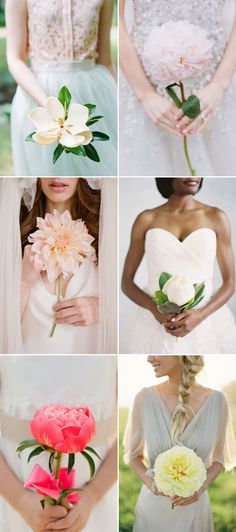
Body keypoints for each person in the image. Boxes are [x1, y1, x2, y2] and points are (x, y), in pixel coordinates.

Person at [0, 355, 117, 532]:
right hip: (12, 485)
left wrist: (92, 495)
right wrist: (20, 499)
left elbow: (120, 439)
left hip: (94, 492)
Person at [0, 177, 117, 354]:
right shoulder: (12, 238)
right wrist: (23, 283)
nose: (57, 177)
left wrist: (104, 308)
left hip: (86, 370)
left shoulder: (106, 239)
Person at [119, 0, 236, 175]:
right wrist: (145, 94)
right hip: (143, 84)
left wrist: (219, 85)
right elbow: (115, 20)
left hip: (215, 85)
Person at [121, 177, 236, 353]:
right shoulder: (147, 219)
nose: (192, 176)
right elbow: (126, 282)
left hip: (206, 320)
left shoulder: (216, 217)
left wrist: (200, 315)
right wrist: (155, 310)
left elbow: (230, 282)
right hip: (155, 320)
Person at [123, 355, 236, 532]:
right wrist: (152, 485)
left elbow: (219, 459)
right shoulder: (143, 398)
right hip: (153, 511)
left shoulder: (217, 401)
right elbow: (133, 456)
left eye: (155, 352)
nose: (149, 358)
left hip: (195, 509)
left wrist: (200, 488)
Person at [5, 0, 117, 176]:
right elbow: (15, 59)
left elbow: (105, 60)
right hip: (37, 95)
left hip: (93, 93)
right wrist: (49, 107)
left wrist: (118, 103)